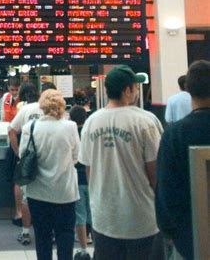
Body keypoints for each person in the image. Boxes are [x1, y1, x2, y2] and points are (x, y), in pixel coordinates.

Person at [78, 65, 163, 259]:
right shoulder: (146, 122)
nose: (136, 91)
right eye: (135, 87)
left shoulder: (91, 122)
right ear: (127, 90)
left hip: (104, 219)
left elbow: (89, 171)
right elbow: (155, 174)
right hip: (141, 220)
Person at [156, 60, 210, 259]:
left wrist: (169, 231)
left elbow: (165, 188)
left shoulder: (173, 134)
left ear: (188, 89)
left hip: (188, 235)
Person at [20, 89, 80, 260]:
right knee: (65, 234)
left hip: (37, 192)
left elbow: (23, 156)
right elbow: (76, 156)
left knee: (42, 236)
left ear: (42, 106)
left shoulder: (29, 128)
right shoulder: (70, 127)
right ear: (61, 105)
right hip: (65, 192)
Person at [8, 82, 55, 244]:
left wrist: (18, 153)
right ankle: (52, 232)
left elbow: (11, 130)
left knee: (27, 196)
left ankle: (26, 232)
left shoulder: (25, 110)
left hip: (29, 158)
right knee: (50, 196)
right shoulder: (52, 110)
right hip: (50, 158)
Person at [69, 106, 92, 260]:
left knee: (80, 215)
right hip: (92, 178)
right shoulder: (90, 133)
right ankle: (95, 242)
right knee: (93, 213)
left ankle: (83, 250)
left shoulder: (71, 134)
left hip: (77, 178)